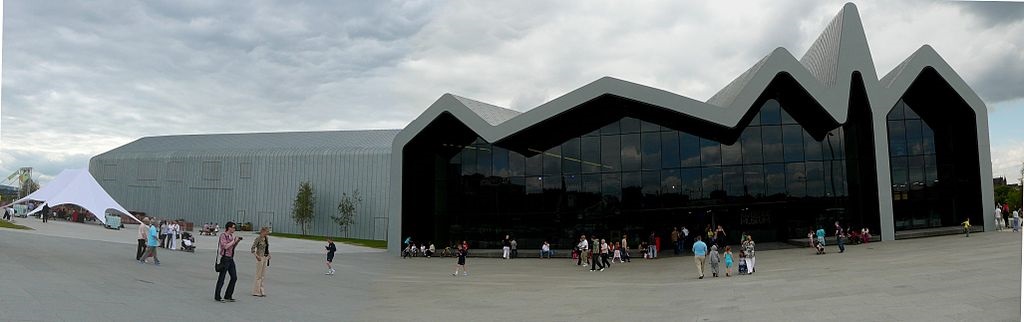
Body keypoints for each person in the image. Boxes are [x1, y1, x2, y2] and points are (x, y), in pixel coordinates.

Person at [215, 222, 242, 302]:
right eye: (233, 227)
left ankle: (228, 295)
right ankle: (217, 296)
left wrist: (236, 242)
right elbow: (225, 246)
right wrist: (233, 241)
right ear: (229, 228)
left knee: (234, 277)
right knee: (222, 278)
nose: (234, 229)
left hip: (230, 258)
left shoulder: (231, 236)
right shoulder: (223, 236)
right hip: (225, 258)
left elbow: (232, 247)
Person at [250, 227, 270, 297]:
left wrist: (269, 254)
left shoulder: (266, 238)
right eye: (267, 231)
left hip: (265, 257)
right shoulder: (258, 238)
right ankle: (256, 291)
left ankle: (262, 290)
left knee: (263, 275)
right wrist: (256, 255)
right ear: (263, 231)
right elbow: (252, 248)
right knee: (258, 275)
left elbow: (266, 248)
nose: (268, 233)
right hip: (260, 257)